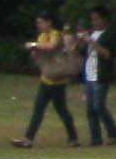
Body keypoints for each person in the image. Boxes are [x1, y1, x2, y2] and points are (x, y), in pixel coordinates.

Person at [17, 15, 81, 145]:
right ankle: (29, 139)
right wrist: (34, 50)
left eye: (41, 23)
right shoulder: (42, 37)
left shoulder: (55, 34)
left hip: (57, 80)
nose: (39, 26)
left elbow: (51, 46)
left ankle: (72, 138)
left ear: (48, 22)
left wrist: (34, 45)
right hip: (47, 79)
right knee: (41, 109)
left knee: (60, 111)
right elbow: (37, 53)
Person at [78, 7, 116, 144]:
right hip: (89, 73)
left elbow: (108, 54)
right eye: (93, 19)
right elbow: (81, 51)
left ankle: (113, 134)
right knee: (90, 109)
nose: (94, 22)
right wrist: (81, 40)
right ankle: (95, 138)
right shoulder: (91, 33)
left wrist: (91, 41)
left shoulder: (110, 35)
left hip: (101, 75)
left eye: (97, 18)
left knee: (99, 106)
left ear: (104, 19)